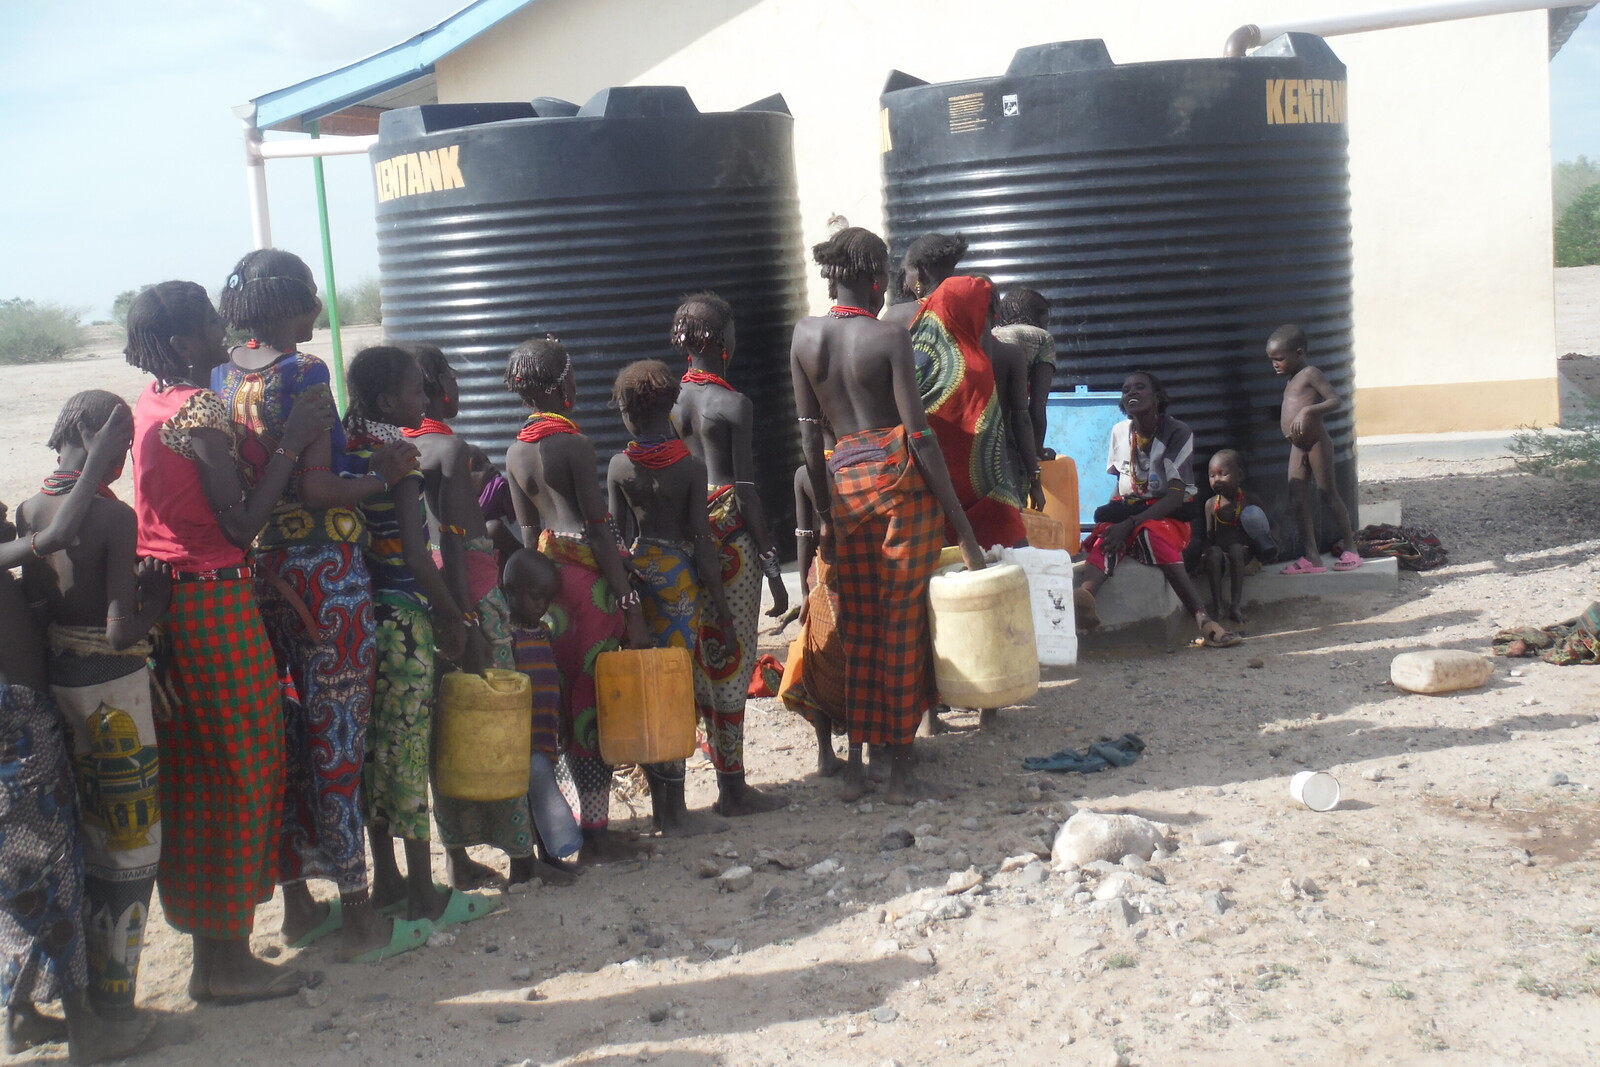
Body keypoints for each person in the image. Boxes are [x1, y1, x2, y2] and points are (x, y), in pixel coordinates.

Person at [123, 281, 329, 1000]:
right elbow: (241, 525)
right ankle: (226, 960)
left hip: (174, 604)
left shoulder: (153, 402)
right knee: (246, 767)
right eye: (211, 322)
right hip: (215, 601)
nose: (223, 330)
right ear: (184, 343)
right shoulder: (199, 408)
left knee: (201, 773)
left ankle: (216, 948)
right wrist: (295, 441)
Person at [213, 248, 419, 963]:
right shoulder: (304, 372)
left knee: (289, 735)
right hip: (326, 575)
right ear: (290, 303)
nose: (319, 305)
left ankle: (299, 905)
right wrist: (385, 474)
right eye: (310, 294)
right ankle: (360, 913)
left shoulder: (223, 373)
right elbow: (318, 489)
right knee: (338, 739)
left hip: (264, 569)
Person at [789, 226, 987, 804]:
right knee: (900, 628)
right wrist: (965, 531)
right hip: (898, 485)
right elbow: (921, 439)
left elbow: (808, 437)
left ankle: (856, 769)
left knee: (857, 626)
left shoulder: (803, 336)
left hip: (843, 481)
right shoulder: (888, 338)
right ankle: (899, 772)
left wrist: (824, 512)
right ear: (875, 278)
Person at [2, 409, 157, 1062]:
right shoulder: (92, 520)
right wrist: (101, 455)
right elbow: (63, 527)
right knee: (54, 866)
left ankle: (21, 1015)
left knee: (18, 875)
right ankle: (88, 1028)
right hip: (20, 734)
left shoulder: (17, 529)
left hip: (36, 713)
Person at [343, 346, 495, 933]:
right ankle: (421, 894)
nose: (425, 400)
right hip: (406, 616)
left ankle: (386, 880)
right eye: (415, 391)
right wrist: (455, 613)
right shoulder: (399, 460)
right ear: (387, 401)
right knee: (407, 750)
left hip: (361, 614)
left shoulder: (350, 450)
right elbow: (412, 552)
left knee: (375, 751)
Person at [402, 342, 547, 890]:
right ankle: (522, 861)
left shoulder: (392, 447)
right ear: (436, 386)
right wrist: (470, 623)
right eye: (453, 380)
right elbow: (464, 540)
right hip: (474, 599)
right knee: (502, 719)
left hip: (423, 600)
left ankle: (458, 859)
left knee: (449, 731)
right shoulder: (448, 448)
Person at [502, 337, 649, 863]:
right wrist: (629, 602)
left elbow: (525, 536)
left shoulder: (516, 452)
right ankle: (596, 829)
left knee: (560, 705)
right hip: (591, 590)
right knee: (594, 702)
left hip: (548, 590)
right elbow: (600, 529)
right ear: (564, 384)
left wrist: (527, 610)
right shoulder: (575, 446)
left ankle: (563, 828)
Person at [670, 293, 789, 817]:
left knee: (700, 655)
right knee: (735, 656)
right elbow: (745, 490)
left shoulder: (671, 402)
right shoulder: (733, 404)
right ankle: (733, 786)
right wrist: (772, 563)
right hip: (732, 542)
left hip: (687, 537)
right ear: (721, 342)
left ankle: (709, 772)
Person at [607, 360, 736, 836]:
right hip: (682, 584)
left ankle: (662, 808)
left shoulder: (621, 466)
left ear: (628, 413)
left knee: (650, 690)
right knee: (677, 688)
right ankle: (677, 812)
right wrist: (720, 604)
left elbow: (617, 540)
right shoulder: (690, 466)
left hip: (642, 581)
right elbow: (703, 542)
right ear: (671, 408)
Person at [1074, 371, 1242, 649]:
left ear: (1158, 398)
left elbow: (1176, 496)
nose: (1131, 393)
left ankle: (1204, 620)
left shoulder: (1177, 433)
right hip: (1131, 509)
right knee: (1107, 535)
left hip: (1167, 515)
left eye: (1140, 387)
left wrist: (1129, 523)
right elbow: (1122, 485)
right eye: (1126, 389)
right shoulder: (1119, 432)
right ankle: (1085, 597)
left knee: (1148, 533)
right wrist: (1115, 521)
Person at [910, 273, 1028, 551]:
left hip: (929, 485)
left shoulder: (915, 356)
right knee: (1008, 554)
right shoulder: (974, 364)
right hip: (981, 487)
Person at [500, 549, 581, 871]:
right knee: (532, 797)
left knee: (544, 793)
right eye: (535, 597)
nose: (541, 605)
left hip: (544, 728)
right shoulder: (507, 636)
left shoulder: (543, 632)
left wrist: (562, 715)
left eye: (546, 599)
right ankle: (532, 861)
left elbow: (553, 676)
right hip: (520, 735)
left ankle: (550, 856)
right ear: (510, 592)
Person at [1269, 325, 1361, 574]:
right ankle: (1311, 556)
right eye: (1272, 360)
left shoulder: (1310, 373)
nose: (1275, 364)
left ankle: (1351, 548)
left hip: (1316, 443)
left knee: (1328, 493)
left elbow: (1335, 399)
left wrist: (1308, 410)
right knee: (1297, 498)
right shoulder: (1291, 380)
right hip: (1297, 446)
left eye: (1279, 359)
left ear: (1298, 353)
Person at [780, 459, 849, 778]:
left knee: (821, 660)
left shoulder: (805, 473)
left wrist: (806, 593)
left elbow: (804, 535)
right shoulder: (859, 463)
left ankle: (825, 753)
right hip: (861, 572)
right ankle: (876, 749)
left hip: (822, 576)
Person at [1200, 449, 1273, 624]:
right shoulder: (1211, 505)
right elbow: (1209, 536)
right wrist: (1203, 556)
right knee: (1214, 553)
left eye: (1223, 474)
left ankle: (1235, 605)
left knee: (1236, 549)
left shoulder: (1249, 499)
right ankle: (1218, 606)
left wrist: (1271, 544)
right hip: (1224, 560)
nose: (1216, 480)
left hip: (1245, 558)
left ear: (1239, 475)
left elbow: (1270, 525)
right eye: (1212, 475)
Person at [990, 288, 1056, 458]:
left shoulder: (990, 334)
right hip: (1012, 428)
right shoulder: (1042, 337)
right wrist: (1037, 451)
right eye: (1046, 321)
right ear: (1038, 316)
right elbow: (1037, 404)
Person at [881, 232, 968, 328]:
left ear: (919, 271)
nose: (905, 279)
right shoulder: (972, 313)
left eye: (906, 271)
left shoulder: (896, 316)